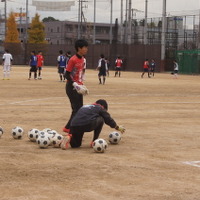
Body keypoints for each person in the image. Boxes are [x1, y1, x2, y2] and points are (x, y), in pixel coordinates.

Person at [60, 99, 126, 150]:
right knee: (102, 118)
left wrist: (71, 131)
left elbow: (76, 117)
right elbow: (108, 119)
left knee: (76, 145)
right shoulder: (99, 108)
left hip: (74, 126)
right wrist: (116, 127)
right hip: (87, 124)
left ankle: (69, 137)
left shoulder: (84, 107)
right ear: (103, 106)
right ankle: (94, 141)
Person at [63, 39, 89, 134]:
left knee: (80, 108)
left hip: (78, 86)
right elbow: (67, 74)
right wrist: (74, 83)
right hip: (71, 87)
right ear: (79, 48)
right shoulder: (73, 59)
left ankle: (71, 127)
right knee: (76, 109)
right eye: (85, 47)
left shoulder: (82, 59)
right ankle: (68, 128)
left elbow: (80, 74)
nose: (86, 49)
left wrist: (81, 84)